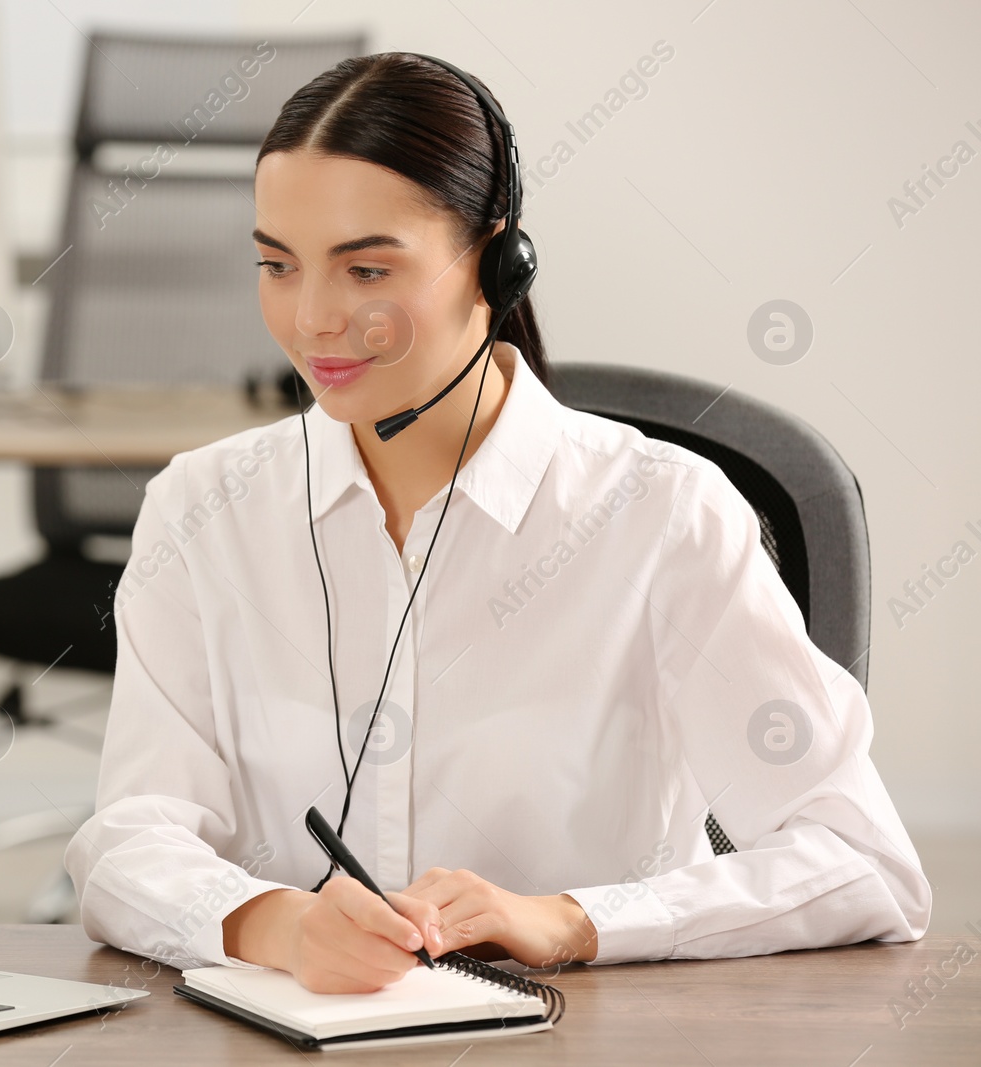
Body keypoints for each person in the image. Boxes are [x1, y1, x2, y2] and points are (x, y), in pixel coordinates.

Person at [64, 52, 929, 995]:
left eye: (365, 269)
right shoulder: (203, 508)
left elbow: (862, 861)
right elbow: (128, 838)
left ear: (496, 261)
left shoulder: (663, 517)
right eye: (277, 264)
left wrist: (571, 920)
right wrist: (280, 924)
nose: (312, 318)